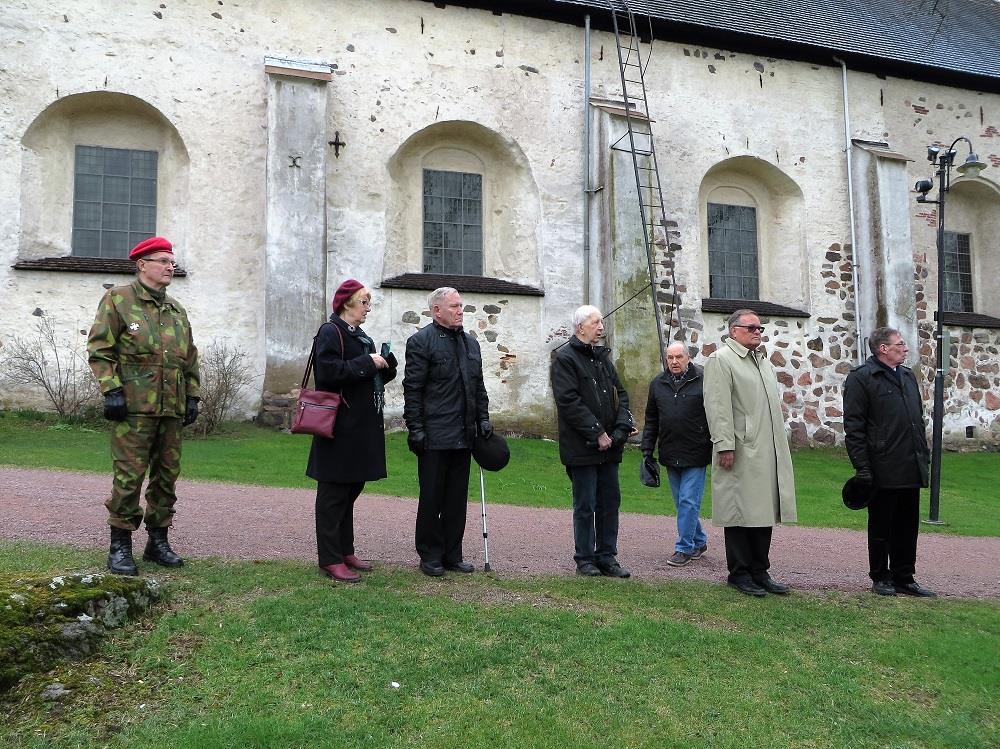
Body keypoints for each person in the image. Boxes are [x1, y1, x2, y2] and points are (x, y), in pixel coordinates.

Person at [87, 236, 200, 576]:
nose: (170, 267)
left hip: (171, 410)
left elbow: (190, 357)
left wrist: (192, 396)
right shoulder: (118, 300)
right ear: (142, 265)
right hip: (133, 409)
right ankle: (119, 546)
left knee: (167, 477)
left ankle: (157, 541)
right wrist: (111, 390)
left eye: (171, 261)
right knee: (129, 478)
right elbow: (99, 348)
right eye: (163, 261)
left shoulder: (176, 310)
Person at [306, 279, 397, 583]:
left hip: (361, 425)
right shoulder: (330, 332)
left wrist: (385, 366)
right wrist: (366, 362)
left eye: (369, 303)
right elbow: (328, 373)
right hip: (338, 425)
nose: (368, 308)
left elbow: (366, 378)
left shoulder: (361, 336)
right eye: (364, 302)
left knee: (351, 489)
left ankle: (345, 551)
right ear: (347, 303)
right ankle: (330, 558)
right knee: (333, 493)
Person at [703, 309, 797, 596]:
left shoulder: (762, 362)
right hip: (741, 447)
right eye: (751, 327)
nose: (758, 331)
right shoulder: (721, 360)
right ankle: (739, 572)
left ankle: (760, 570)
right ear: (734, 331)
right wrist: (725, 445)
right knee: (739, 510)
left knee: (763, 509)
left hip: (766, 448)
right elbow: (717, 407)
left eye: (760, 328)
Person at [403, 287, 492, 577]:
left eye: (461, 306)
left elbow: (478, 387)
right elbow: (413, 389)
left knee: (456, 498)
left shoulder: (471, 344)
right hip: (434, 434)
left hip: (464, 434)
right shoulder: (420, 342)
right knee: (432, 496)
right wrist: (415, 428)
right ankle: (430, 554)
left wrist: (483, 419)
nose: (460, 311)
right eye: (454, 306)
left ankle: (453, 554)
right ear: (436, 310)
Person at [843, 327, 935, 597]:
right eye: (900, 344)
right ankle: (880, 576)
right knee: (882, 524)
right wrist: (862, 467)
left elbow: (915, 420)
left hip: (909, 461)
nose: (905, 349)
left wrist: (922, 455)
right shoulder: (862, 378)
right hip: (882, 464)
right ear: (883, 348)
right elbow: (854, 426)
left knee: (908, 524)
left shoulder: (907, 376)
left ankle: (904, 575)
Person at [550, 305, 634, 578]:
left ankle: (607, 557)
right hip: (582, 447)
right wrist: (597, 432)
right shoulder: (565, 359)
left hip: (610, 447)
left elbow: (621, 395)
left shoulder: (603, 359)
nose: (601, 326)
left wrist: (621, 428)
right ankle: (585, 559)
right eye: (595, 322)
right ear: (580, 328)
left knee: (610, 503)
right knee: (585, 505)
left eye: (601, 322)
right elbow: (569, 402)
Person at [641, 342, 712, 568]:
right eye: (670, 357)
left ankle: (684, 548)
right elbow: (651, 419)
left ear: (688, 358)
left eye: (678, 357)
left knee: (688, 501)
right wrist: (647, 449)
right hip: (670, 450)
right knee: (682, 502)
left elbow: (715, 415)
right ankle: (699, 540)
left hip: (696, 451)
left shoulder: (703, 380)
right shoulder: (658, 384)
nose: (674, 362)